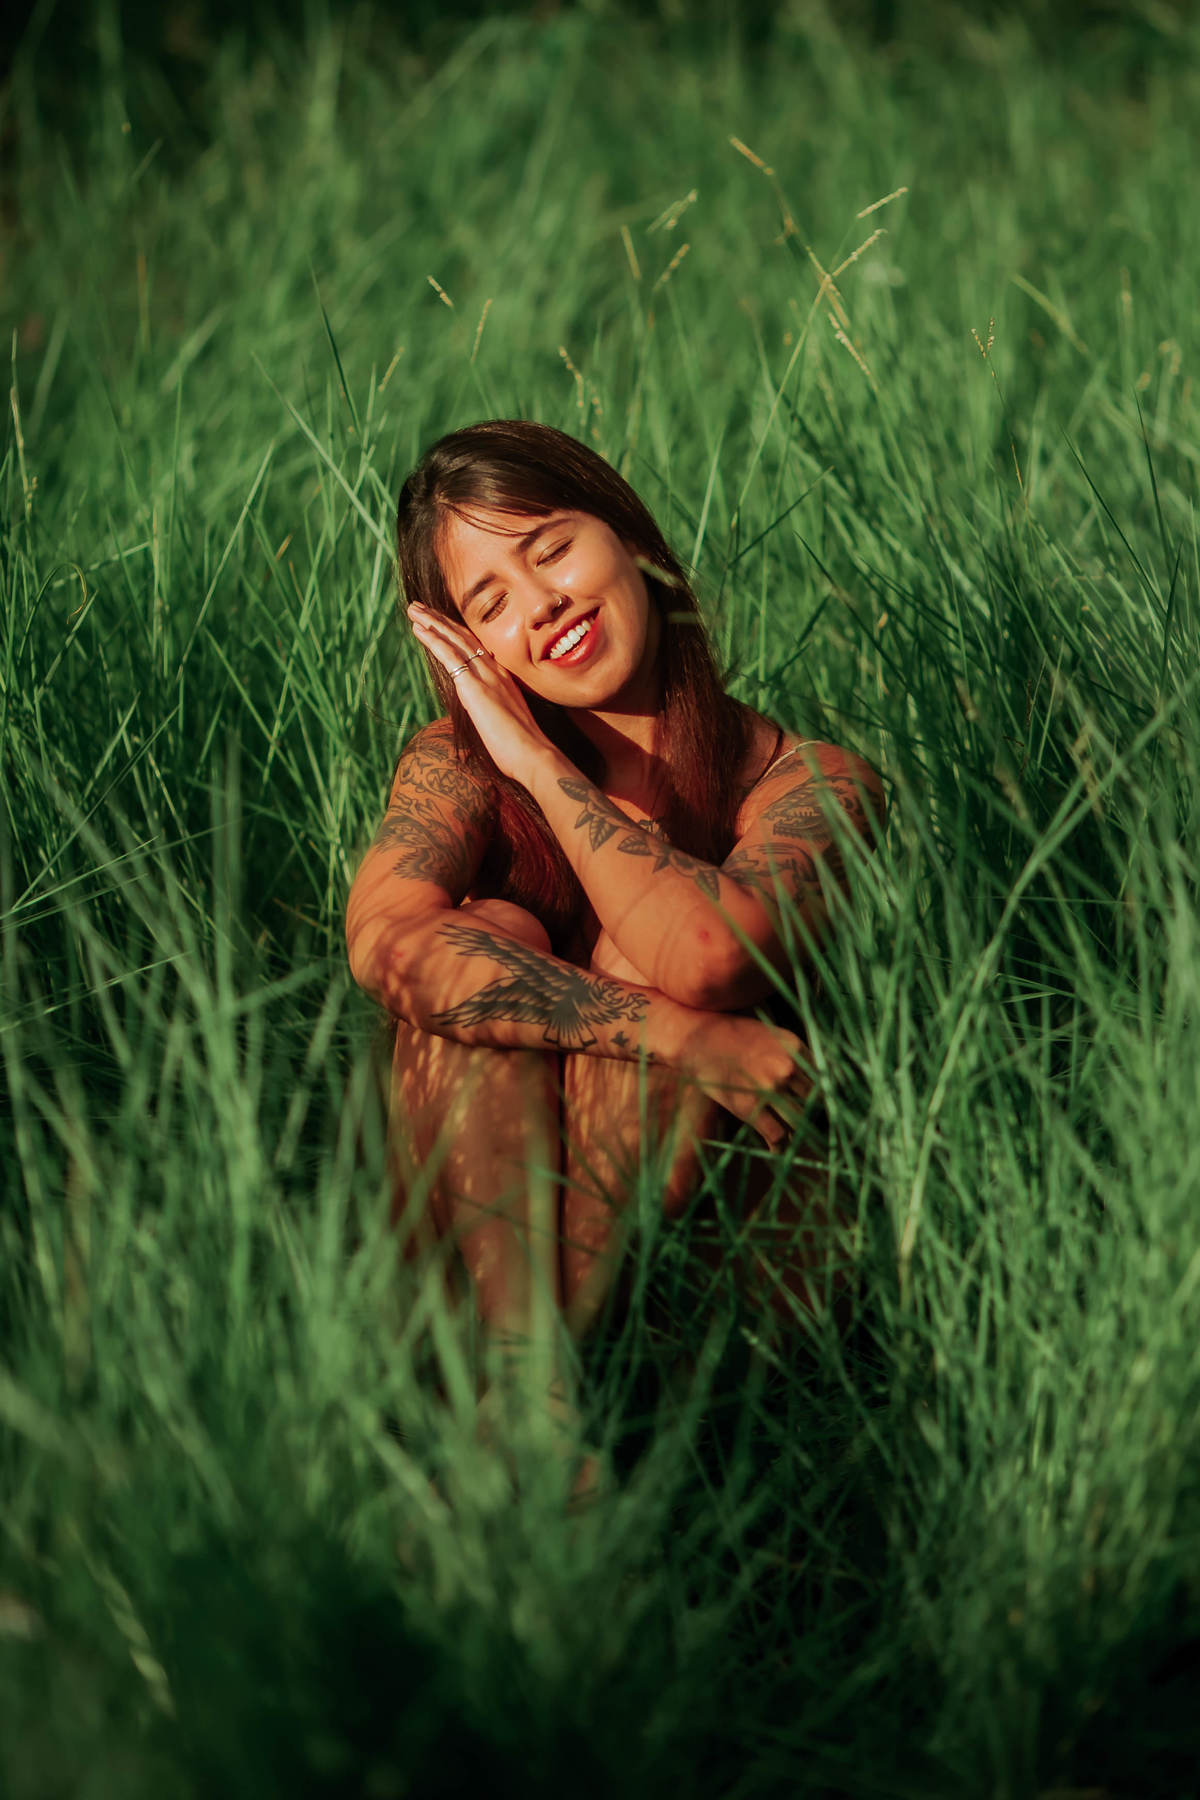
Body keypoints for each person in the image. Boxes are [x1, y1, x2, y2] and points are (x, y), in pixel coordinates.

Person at [345, 418, 884, 1455]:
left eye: (549, 549)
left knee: (657, 940)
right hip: (487, 1266)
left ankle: (541, 1425)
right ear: (470, 648)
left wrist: (545, 770)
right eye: (490, 602)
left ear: (629, 537)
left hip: (726, 1273)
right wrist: (675, 1037)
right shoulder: (455, 764)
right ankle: (535, 1407)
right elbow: (386, 946)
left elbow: (710, 957)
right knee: (483, 938)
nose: (540, 606)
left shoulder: (812, 783)